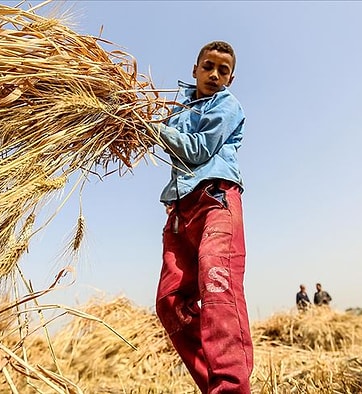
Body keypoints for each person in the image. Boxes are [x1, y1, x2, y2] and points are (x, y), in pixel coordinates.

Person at [149, 41, 253, 393]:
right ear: (194, 69)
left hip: (216, 201)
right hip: (180, 210)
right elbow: (163, 140)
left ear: (231, 78)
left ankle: (231, 387)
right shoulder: (177, 108)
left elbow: (197, 150)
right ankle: (214, 386)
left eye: (223, 71)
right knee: (170, 303)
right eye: (208, 66)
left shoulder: (227, 104)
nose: (214, 75)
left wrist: (155, 128)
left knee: (217, 284)